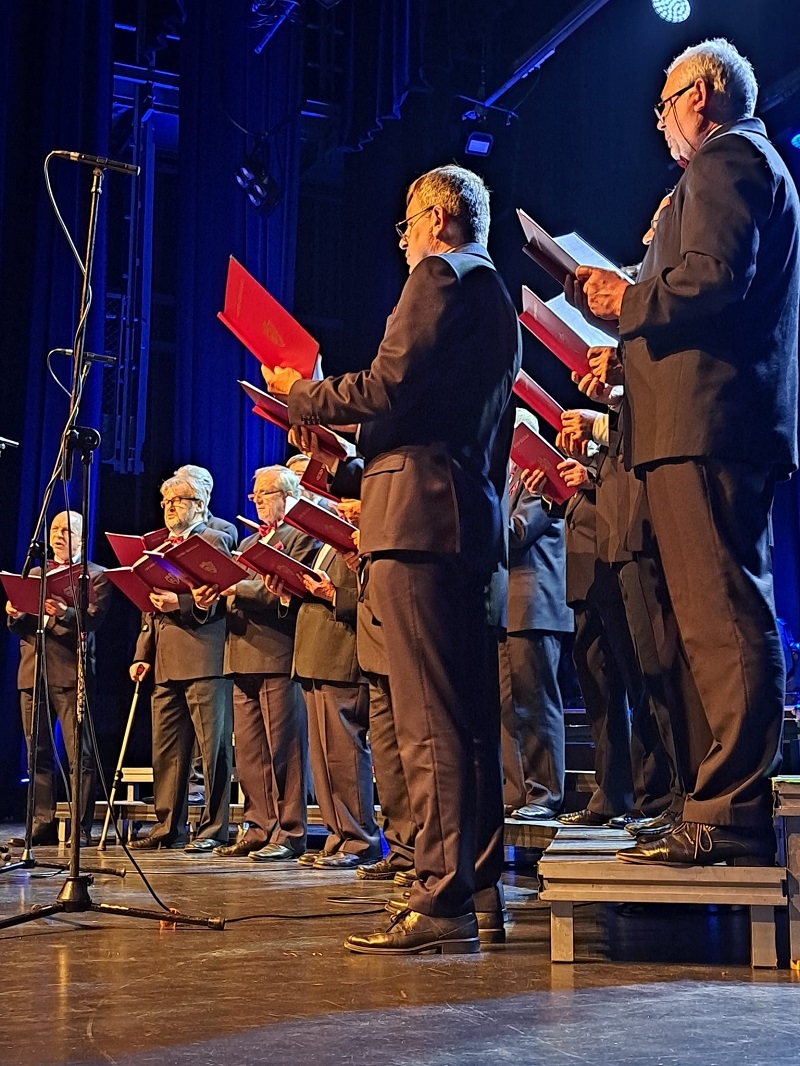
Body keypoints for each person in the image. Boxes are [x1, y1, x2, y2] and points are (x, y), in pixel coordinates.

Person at [263, 164, 522, 953]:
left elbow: (386, 383)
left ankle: (440, 898)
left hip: (419, 526)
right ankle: (477, 887)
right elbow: (424, 417)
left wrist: (301, 394)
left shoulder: (441, 274)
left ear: (437, 218)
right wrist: (346, 463)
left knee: (427, 721)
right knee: (466, 718)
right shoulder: (495, 299)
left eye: (407, 225)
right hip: (458, 518)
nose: (403, 242)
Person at [575, 38, 800, 866]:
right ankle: (709, 801)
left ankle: (732, 810)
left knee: (723, 615)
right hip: (700, 422)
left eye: (666, 103)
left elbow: (712, 279)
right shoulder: (736, 165)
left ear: (700, 96)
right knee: (705, 622)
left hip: (710, 424)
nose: (661, 121)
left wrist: (626, 297)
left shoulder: (727, 158)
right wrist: (625, 350)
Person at [216, 466, 318, 861]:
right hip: (241, 652)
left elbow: (281, 590)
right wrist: (213, 591)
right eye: (254, 494)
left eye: (264, 493)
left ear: (288, 496)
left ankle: (289, 831)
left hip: (276, 652)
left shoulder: (300, 536)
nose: (256, 500)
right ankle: (258, 826)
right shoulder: (248, 541)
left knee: (284, 749)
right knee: (250, 753)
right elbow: (238, 589)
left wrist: (233, 587)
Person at [129, 471, 234, 851]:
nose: (170, 507)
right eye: (166, 502)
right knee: (167, 750)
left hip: (205, 656)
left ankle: (213, 829)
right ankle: (167, 827)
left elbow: (223, 595)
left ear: (200, 504)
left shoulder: (215, 538)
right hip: (164, 660)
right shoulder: (158, 546)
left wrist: (182, 602)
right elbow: (149, 609)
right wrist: (142, 655)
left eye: (178, 501)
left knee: (213, 749)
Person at [6, 511, 111, 845]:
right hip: (33, 671)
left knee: (79, 753)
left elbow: (92, 620)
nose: (59, 535)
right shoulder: (36, 574)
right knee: (36, 753)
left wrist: (62, 613)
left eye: (67, 530)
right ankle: (42, 824)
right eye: (54, 529)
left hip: (70, 672)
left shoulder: (95, 576)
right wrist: (14, 614)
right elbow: (21, 626)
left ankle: (80, 828)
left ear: (82, 537)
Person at [292, 525, 382, 869]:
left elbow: (372, 599)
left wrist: (332, 594)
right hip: (316, 657)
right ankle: (337, 837)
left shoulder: (366, 537)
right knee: (323, 759)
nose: (341, 513)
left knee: (344, 757)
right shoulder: (328, 544)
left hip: (343, 658)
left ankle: (360, 840)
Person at [502, 413, 573, 821]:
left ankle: (545, 793)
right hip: (508, 608)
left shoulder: (540, 482)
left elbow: (516, 533)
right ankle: (517, 793)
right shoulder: (508, 481)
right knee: (508, 708)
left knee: (537, 704)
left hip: (535, 605)